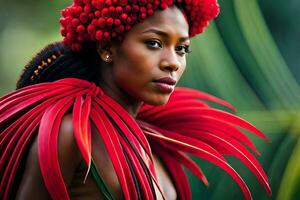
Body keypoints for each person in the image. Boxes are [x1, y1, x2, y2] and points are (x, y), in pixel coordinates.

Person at [0, 0, 272, 199]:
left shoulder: (156, 143)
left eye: (182, 48)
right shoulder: (73, 134)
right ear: (107, 48)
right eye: (154, 43)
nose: (172, 63)